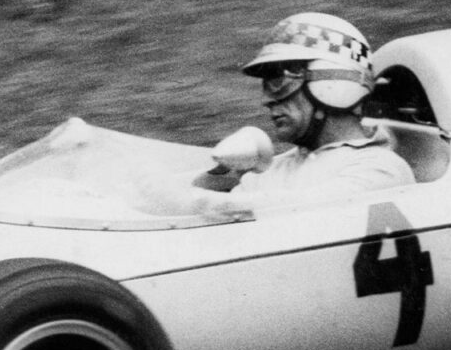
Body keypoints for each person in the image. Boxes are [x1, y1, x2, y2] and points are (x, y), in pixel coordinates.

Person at [178, 12, 415, 217]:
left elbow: (312, 208)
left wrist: (200, 200)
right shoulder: (271, 172)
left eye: (279, 81)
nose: (267, 100)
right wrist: (211, 180)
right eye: (266, 85)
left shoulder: (382, 168)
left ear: (334, 82)